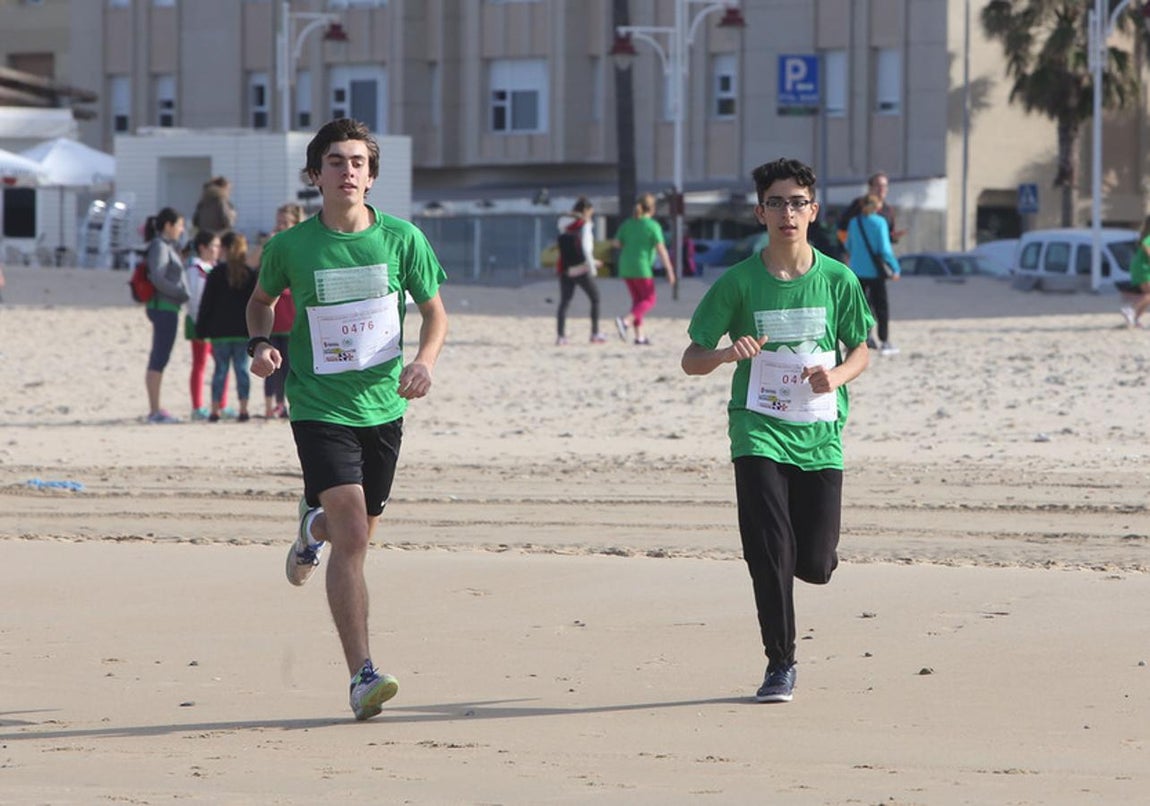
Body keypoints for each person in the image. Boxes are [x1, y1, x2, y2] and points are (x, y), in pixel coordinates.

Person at [246, 117, 448, 721]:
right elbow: (261, 303)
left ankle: (313, 529)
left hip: (385, 407)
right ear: (316, 175)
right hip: (317, 404)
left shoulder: (403, 240)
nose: (348, 171)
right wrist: (259, 346)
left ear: (371, 174)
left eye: (358, 162)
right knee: (355, 536)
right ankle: (362, 675)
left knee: (356, 532)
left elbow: (436, 314)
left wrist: (425, 360)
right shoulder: (290, 248)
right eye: (336, 162)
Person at [680, 157, 873, 704]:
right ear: (759, 211)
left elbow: (861, 349)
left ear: (813, 211)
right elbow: (690, 359)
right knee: (769, 551)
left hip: (819, 432)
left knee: (815, 562)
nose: (786, 212)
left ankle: (808, 564)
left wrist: (834, 375)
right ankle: (780, 663)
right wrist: (723, 354)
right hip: (757, 429)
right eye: (775, 202)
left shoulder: (838, 278)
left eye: (796, 202)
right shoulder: (738, 282)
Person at [196, 231, 256, 422]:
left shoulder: (216, 273)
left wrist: (201, 328)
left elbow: (207, 303)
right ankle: (243, 409)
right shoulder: (249, 273)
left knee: (220, 370)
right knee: (242, 369)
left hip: (219, 331)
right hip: (242, 331)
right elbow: (255, 304)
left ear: (225, 249)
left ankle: (214, 410)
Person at [254, 202, 305, 417]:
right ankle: (270, 406)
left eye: (285, 223)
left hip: (293, 315)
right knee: (269, 363)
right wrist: (267, 244)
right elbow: (257, 269)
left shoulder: (302, 245)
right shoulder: (273, 247)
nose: (281, 226)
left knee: (290, 367)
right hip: (274, 316)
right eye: (278, 222)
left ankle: (287, 404)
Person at [143, 207, 190, 424]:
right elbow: (158, 277)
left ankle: (156, 408)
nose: (182, 230)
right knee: (159, 357)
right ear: (169, 225)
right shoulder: (160, 246)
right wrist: (182, 293)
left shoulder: (168, 246)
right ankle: (154, 410)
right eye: (180, 225)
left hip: (168, 307)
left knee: (161, 356)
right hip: (163, 307)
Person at [612, 193, 676, 345]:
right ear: (652, 209)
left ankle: (639, 337)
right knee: (649, 299)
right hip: (642, 267)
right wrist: (670, 270)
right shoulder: (652, 226)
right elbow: (662, 250)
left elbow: (616, 243)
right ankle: (625, 322)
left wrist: (631, 243)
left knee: (638, 301)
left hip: (626, 266)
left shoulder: (628, 224)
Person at [844, 194, 902, 356]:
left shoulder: (854, 223)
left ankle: (864, 338)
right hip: (875, 272)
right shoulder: (880, 222)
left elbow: (848, 245)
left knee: (861, 307)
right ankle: (884, 340)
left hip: (857, 271)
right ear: (877, 207)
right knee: (881, 307)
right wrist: (895, 268)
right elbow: (884, 249)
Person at [555, 196, 606, 345]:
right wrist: (592, 267)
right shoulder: (585, 225)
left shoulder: (562, 223)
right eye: (590, 212)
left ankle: (561, 336)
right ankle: (595, 333)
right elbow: (585, 249)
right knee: (595, 298)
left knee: (564, 302)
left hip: (565, 267)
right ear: (586, 211)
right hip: (581, 268)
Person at [185, 229, 225, 420]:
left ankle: (221, 404)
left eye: (218, 246)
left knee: (222, 363)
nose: (217, 250)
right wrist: (199, 323)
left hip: (216, 322)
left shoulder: (215, 268)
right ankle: (197, 406)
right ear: (202, 247)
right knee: (200, 364)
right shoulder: (195, 269)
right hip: (199, 322)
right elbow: (193, 299)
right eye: (213, 246)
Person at [836, 171, 906, 247]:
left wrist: (893, 238)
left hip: (877, 256)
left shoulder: (888, 210)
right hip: (859, 254)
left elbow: (886, 237)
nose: (882, 189)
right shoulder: (859, 204)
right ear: (870, 187)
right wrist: (849, 249)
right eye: (878, 185)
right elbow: (841, 228)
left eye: (884, 186)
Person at [1119, 214, 1150, 328]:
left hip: (1141, 268)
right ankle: (1131, 310)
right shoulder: (1148, 238)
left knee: (1147, 295)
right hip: (1143, 269)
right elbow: (1148, 251)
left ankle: (1135, 319)